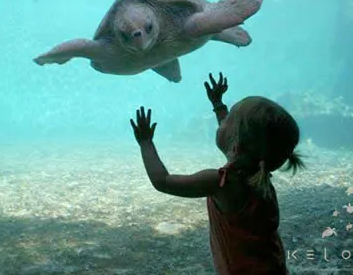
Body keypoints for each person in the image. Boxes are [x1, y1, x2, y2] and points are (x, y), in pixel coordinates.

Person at [130, 72, 305, 274]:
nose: (223, 121)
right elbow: (239, 140)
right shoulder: (257, 177)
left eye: (227, 119)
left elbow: (162, 181)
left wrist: (146, 143)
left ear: (236, 144)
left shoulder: (220, 182)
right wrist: (218, 105)